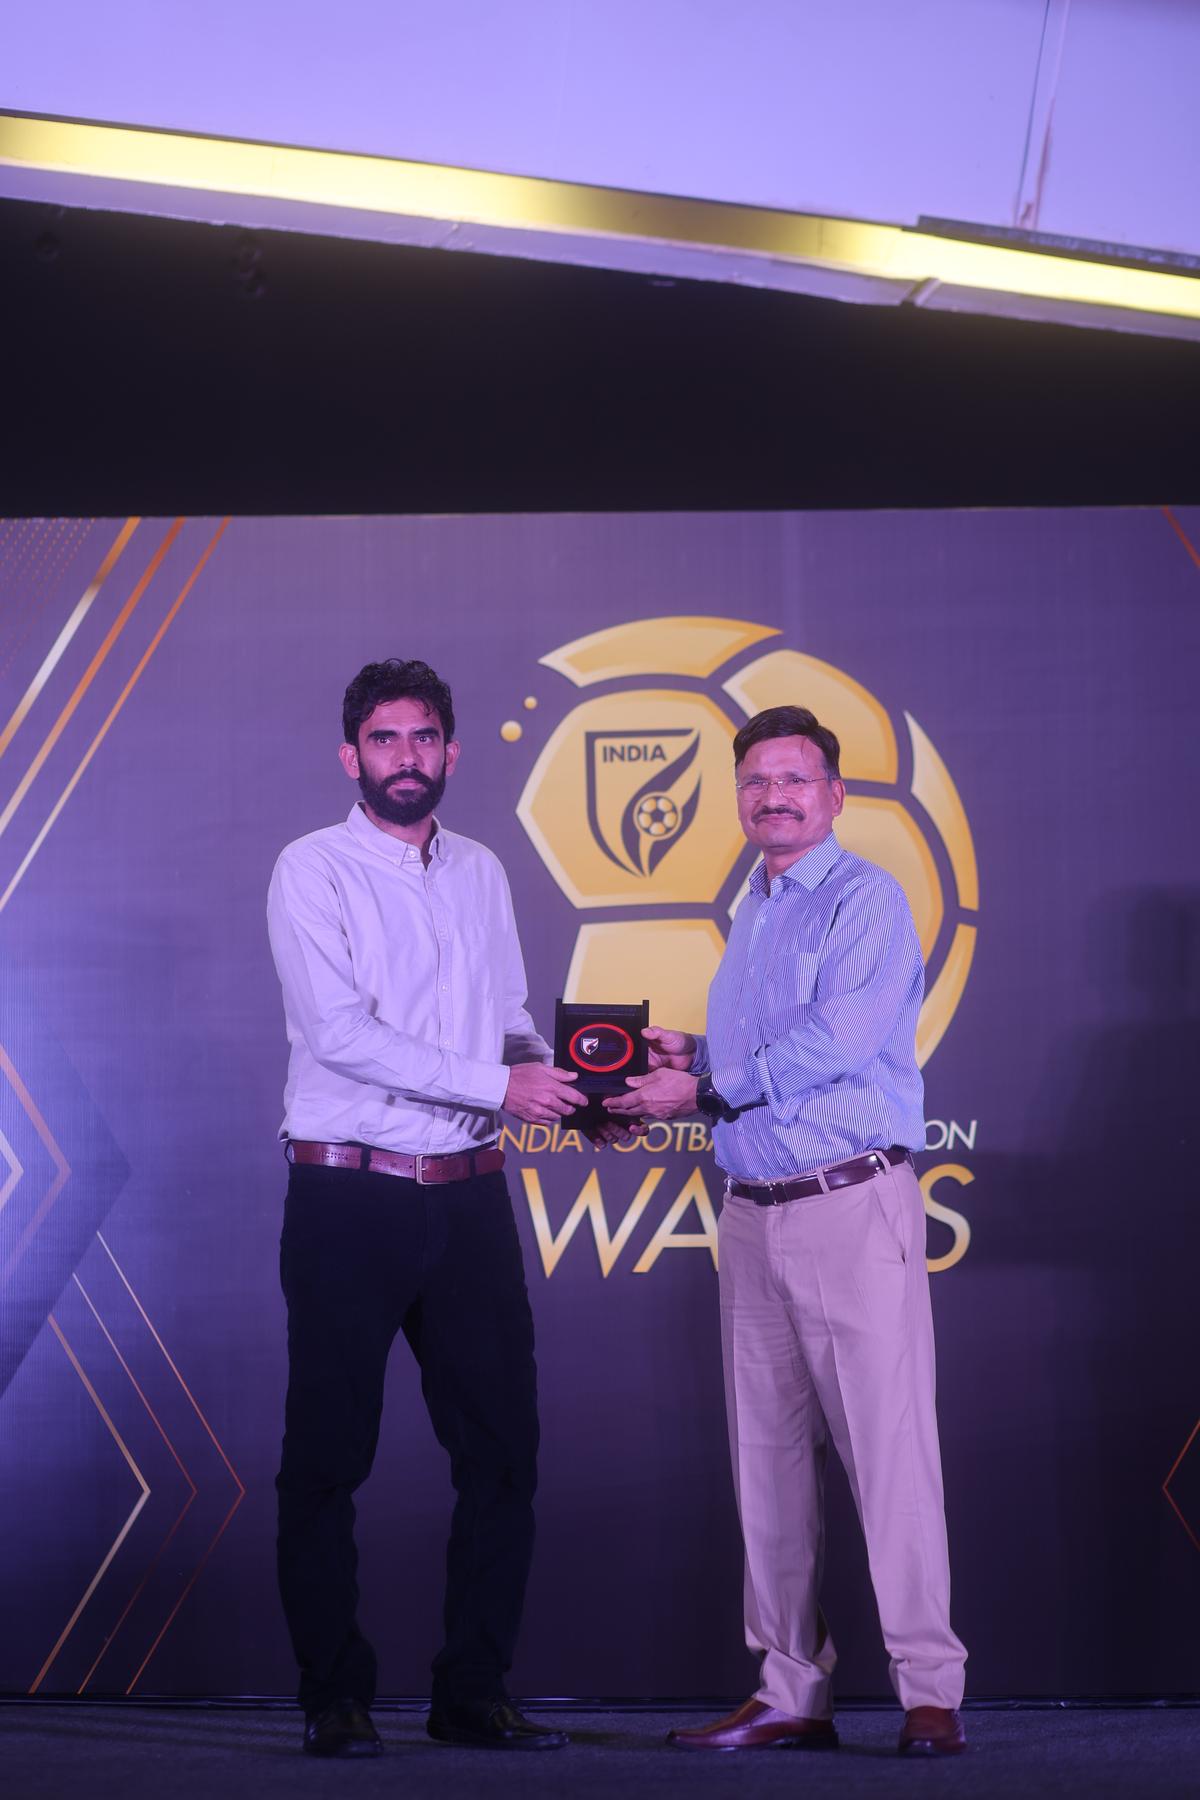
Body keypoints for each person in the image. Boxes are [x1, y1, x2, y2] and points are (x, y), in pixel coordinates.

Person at [605, 704, 968, 1757]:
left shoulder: (868, 898)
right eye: (757, 781)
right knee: (767, 1466)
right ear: (738, 797)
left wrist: (709, 1081)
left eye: (796, 780)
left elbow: (843, 1040)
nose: (775, 796)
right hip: (755, 1220)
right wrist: (690, 1046)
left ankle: (929, 1691)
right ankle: (789, 1691)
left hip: (852, 1208)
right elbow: (765, 1051)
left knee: (890, 1459)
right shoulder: (753, 907)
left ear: (835, 794)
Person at [267, 658, 582, 1759]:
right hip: (348, 1192)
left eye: (425, 738)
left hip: (469, 1199)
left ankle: (472, 1691)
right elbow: (340, 1032)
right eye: (386, 740)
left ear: (453, 751)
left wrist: (568, 1087)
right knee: (328, 1458)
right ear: (351, 756)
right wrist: (504, 1086)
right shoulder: (312, 869)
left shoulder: (483, 870)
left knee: (504, 1455)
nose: (408, 757)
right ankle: (335, 1697)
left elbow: (504, 1018)